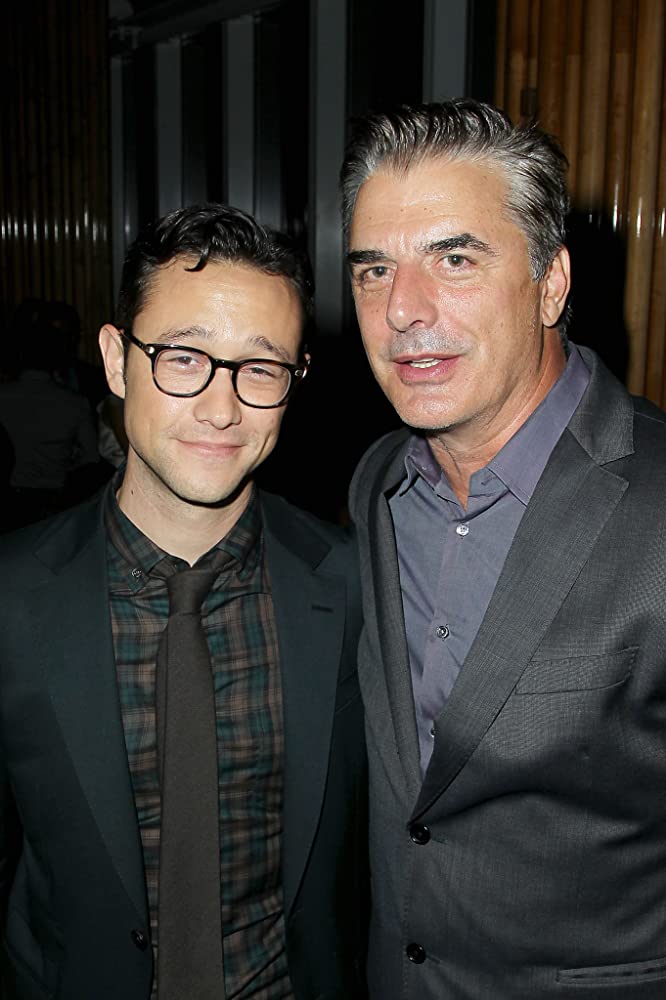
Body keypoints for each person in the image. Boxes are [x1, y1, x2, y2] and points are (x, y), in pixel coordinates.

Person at [340, 98, 666, 999]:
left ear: (550, 283)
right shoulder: (374, 484)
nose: (403, 310)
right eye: (374, 270)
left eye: (454, 259)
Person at [0, 205, 367, 1000]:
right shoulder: (13, 597)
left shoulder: (353, 585)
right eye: (184, 357)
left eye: (260, 368)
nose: (221, 407)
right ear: (116, 360)